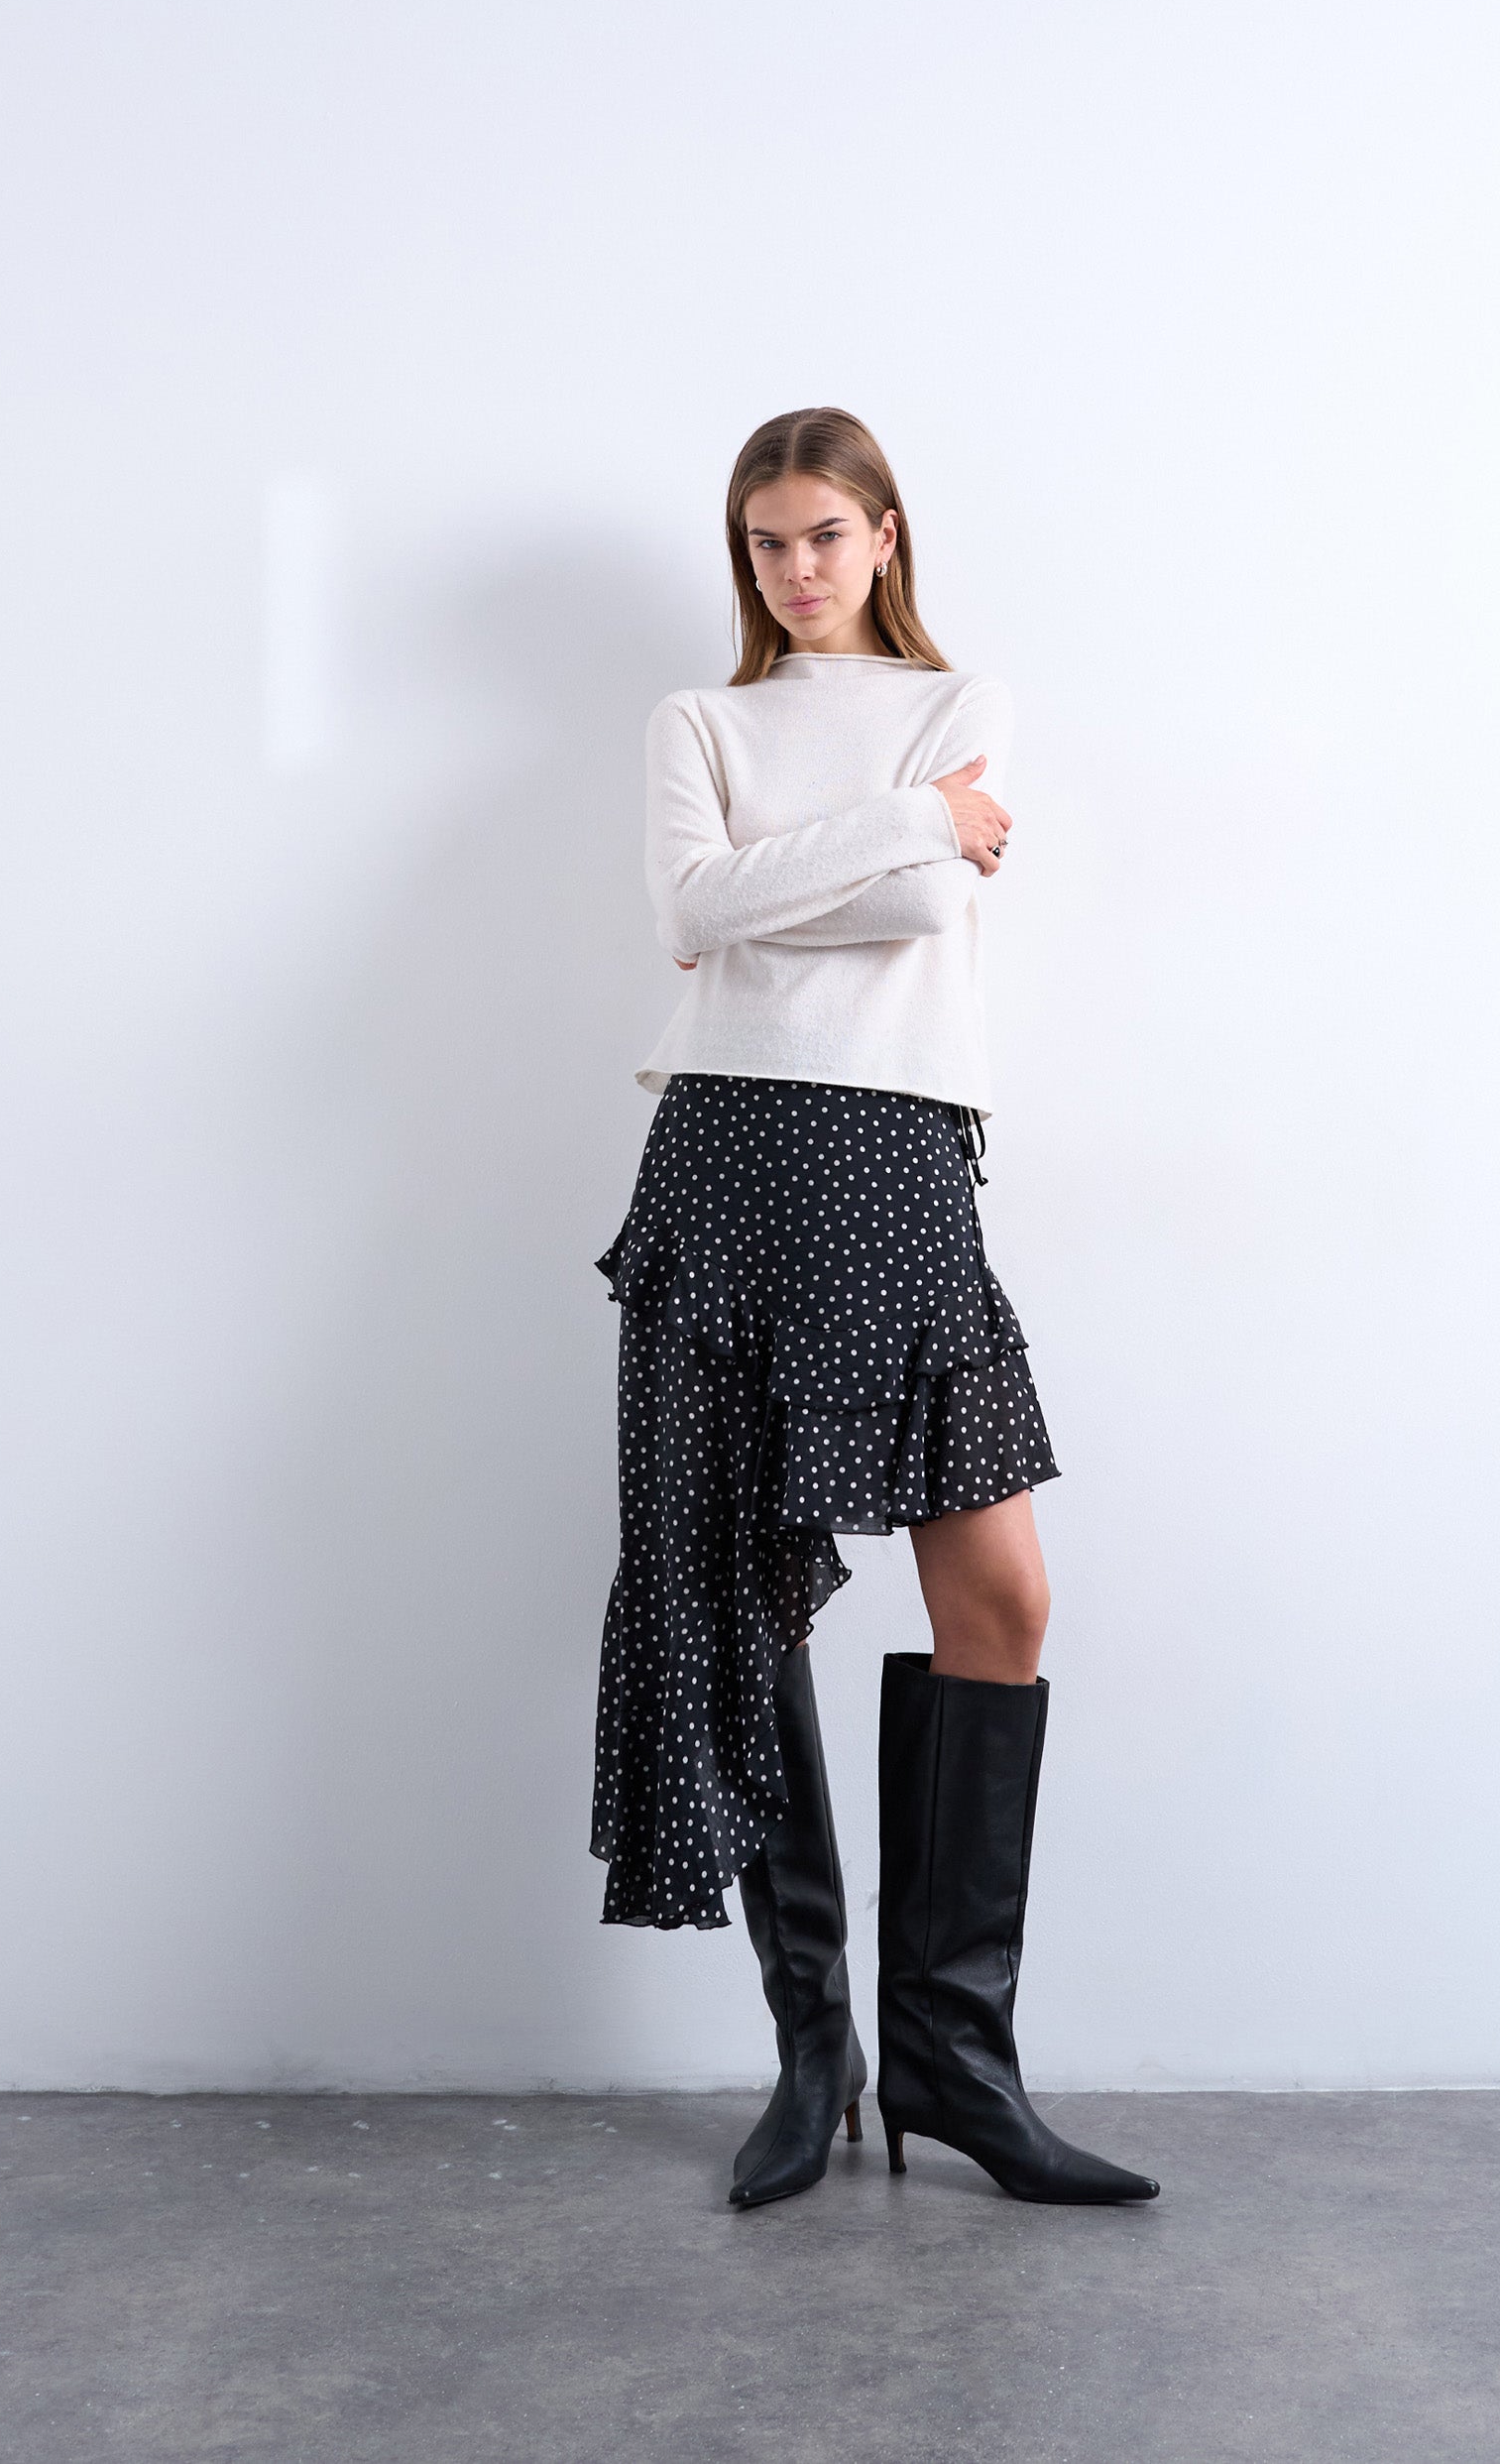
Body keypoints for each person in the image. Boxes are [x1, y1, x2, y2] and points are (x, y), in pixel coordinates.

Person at [591, 407, 1157, 2209]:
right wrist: (910, 823)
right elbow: (693, 906)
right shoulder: (701, 724)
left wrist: (800, 881)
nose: (797, 569)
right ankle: (812, 2050)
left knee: (1001, 1594)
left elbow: (912, 917)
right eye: (766, 542)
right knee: (736, 1590)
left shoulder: (959, 699)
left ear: (886, 534)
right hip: (728, 1158)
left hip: (902, 1157)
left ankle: (955, 2062)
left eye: (826, 534)